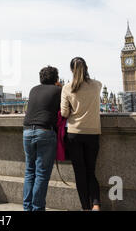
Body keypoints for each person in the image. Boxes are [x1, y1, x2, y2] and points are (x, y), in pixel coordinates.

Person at [61, 57, 102, 211]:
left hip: (74, 134)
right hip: (93, 133)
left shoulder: (67, 88)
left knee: (80, 173)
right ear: (86, 68)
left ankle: (85, 207)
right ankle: (96, 204)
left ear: (72, 70)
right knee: (91, 171)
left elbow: (64, 113)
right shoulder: (97, 85)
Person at [22, 66, 61, 211]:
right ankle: (37, 208)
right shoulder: (58, 90)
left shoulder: (33, 89)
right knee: (41, 175)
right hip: (44, 132)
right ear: (56, 79)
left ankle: (27, 208)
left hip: (27, 132)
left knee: (29, 172)